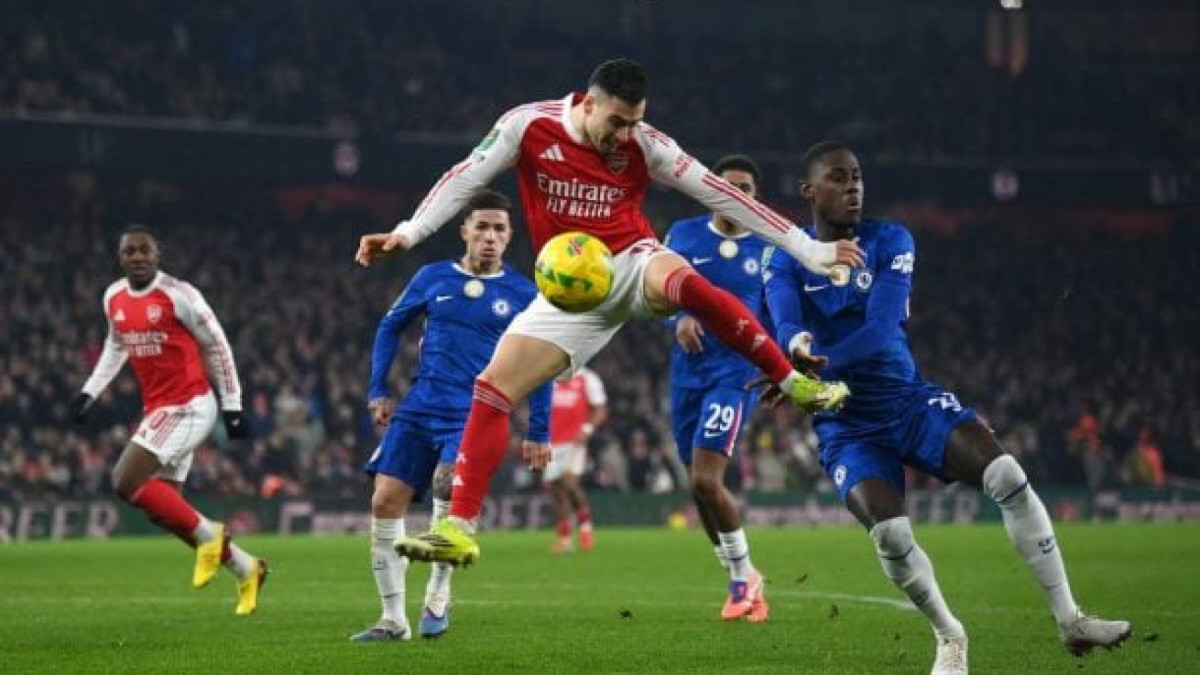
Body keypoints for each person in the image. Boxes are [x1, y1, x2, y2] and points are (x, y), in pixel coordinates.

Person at [355, 58, 864, 567]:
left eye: (634, 122)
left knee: (690, 285)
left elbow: (721, 193)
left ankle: (795, 382)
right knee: (492, 387)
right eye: (616, 122)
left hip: (631, 260)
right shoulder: (528, 126)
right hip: (569, 291)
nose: (624, 135)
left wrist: (808, 248)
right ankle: (459, 528)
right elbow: (465, 177)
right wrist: (409, 232)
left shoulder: (647, 144)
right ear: (588, 103)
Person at [762, 141, 1131, 675]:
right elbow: (786, 322)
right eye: (838, 177)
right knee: (890, 535)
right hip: (846, 426)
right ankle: (950, 636)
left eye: (857, 176)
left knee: (1007, 475)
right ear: (809, 191)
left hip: (908, 401)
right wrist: (793, 352)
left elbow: (880, 331)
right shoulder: (783, 256)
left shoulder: (891, 240)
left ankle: (1070, 619)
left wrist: (808, 367)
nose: (853, 186)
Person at [352, 191, 552, 641]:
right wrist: (378, 389)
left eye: (499, 229)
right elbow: (390, 326)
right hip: (421, 405)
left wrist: (539, 429)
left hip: (475, 413)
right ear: (464, 231)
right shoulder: (432, 277)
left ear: (509, 237)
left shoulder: (524, 293)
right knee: (384, 501)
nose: (489, 237)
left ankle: (437, 596)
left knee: (447, 487)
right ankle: (392, 620)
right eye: (481, 227)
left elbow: (543, 361)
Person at [72, 225, 266, 615]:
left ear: (157, 254)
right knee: (164, 509)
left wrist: (233, 407)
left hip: (190, 404)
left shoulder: (180, 295)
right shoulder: (114, 297)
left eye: (144, 250)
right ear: (120, 257)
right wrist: (90, 390)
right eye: (130, 251)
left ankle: (212, 536)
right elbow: (115, 344)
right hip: (160, 408)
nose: (137, 257)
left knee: (124, 480)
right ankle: (247, 568)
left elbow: (218, 346)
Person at [663, 154, 771, 623]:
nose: (734, 194)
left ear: (755, 197)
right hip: (686, 375)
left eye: (744, 188)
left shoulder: (769, 248)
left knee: (707, 480)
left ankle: (743, 578)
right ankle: (744, 577)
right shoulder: (683, 236)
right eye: (726, 186)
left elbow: (779, 312)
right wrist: (678, 317)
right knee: (698, 489)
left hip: (734, 375)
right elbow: (657, 290)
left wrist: (781, 364)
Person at [544, 366, 608, 554]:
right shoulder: (550, 377)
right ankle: (565, 540)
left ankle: (586, 528)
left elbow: (601, 409)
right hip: (551, 442)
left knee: (569, 482)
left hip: (574, 442)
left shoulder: (587, 378)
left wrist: (588, 428)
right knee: (557, 490)